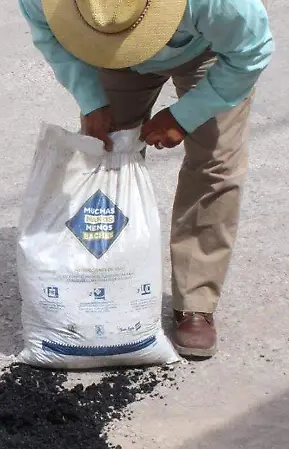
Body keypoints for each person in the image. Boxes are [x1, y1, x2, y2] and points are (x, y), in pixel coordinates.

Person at [19, 0, 273, 358]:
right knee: (105, 154)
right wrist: (91, 100)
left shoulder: (222, 5)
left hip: (210, 48)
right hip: (109, 54)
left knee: (215, 163)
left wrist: (186, 115)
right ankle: (109, 281)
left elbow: (251, 52)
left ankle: (195, 301)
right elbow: (47, 31)